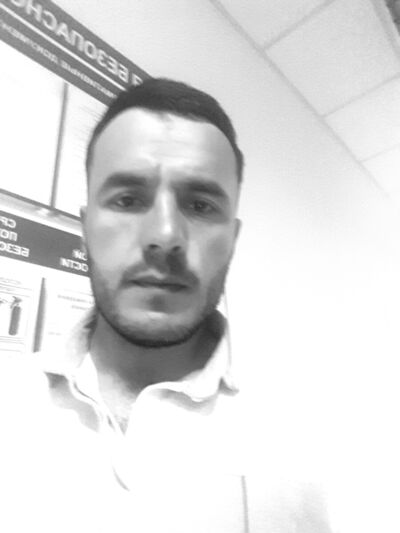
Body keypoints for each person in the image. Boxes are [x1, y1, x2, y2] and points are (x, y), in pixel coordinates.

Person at [0, 78, 332, 533]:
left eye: (200, 205)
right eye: (128, 199)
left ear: (232, 238)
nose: (165, 236)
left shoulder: (300, 443)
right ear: (87, 227)